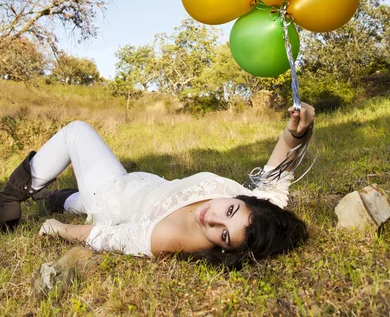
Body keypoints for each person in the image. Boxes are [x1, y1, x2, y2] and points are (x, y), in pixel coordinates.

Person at [0, 103, 315, 268]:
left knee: (77, 132)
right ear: (248, 202)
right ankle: (55, 197)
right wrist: (297, 132)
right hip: (138, 184)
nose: (213, 217)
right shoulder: (250, 205)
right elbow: (275, 182)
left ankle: (9, 199)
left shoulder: (170, 239)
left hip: (112, 195)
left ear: (223, 248)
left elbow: (109, 236)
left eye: (222, 233)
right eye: (229, 209)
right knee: (73, 202)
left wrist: (60, 230)